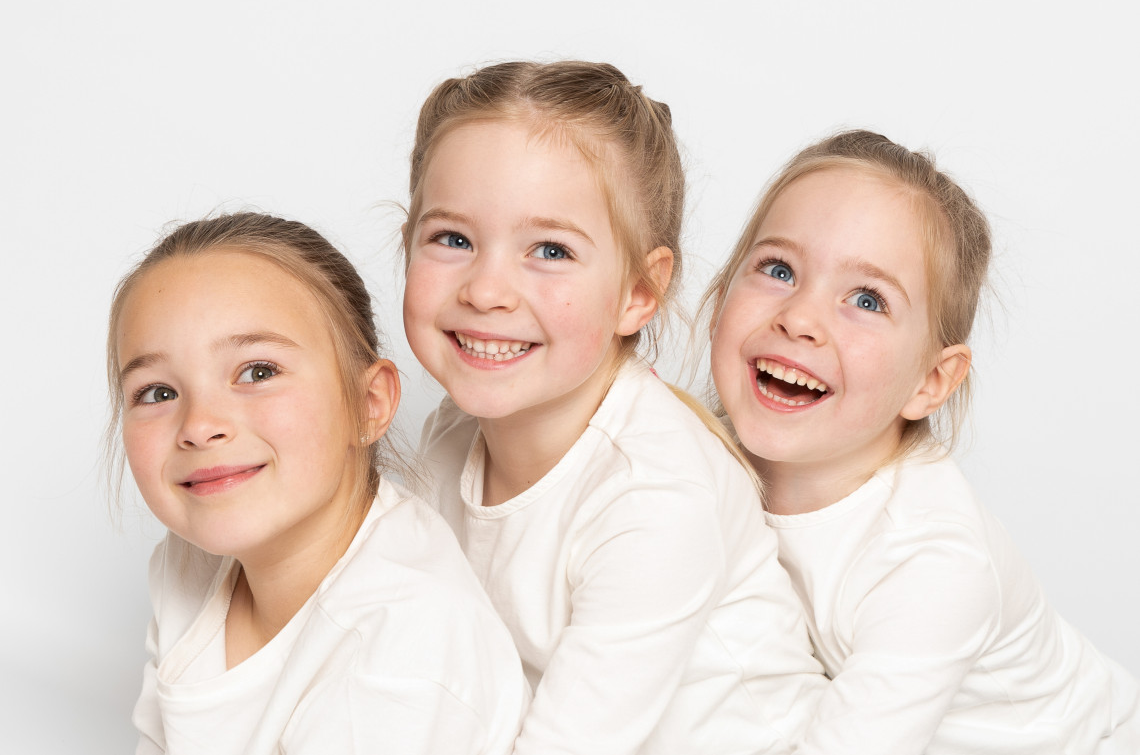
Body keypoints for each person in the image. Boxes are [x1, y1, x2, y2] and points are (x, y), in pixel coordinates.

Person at [401, 60, 826, 755]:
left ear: (637, 292)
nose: (486, 290)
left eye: (550, 250)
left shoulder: (652, 496)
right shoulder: (452, 432)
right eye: (453, 239)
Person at [706, 129, 1140, 754]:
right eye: (779, 270)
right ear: (720, 297)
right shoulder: (691, 457)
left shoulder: (934, 562)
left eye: (867, 300)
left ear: (930, 382)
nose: (799, 318)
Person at [109, 213, 529, 754]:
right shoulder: (190, 562)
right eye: (158, 393)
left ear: (367, 404)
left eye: (258, 372)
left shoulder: (398, 655)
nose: (198, 425)